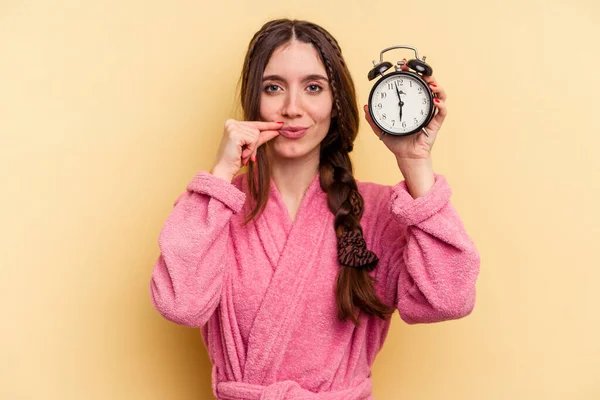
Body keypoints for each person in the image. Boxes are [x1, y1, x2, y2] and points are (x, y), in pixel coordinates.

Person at [149, 18, 480, 400]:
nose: (292, 108)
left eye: (313, 87)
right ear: (252, 100)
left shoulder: (376, 213)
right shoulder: (217, 207)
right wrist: (222, 173)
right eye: (273, 88)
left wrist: (416, 163)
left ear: (335, 102)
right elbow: (180, 305)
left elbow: (449, 298)